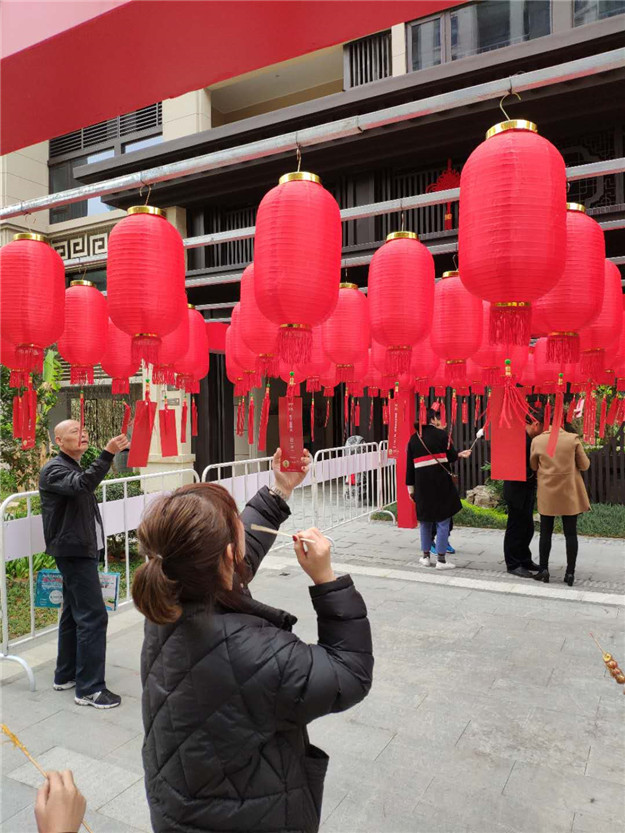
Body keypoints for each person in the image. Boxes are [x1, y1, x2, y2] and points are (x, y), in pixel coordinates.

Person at [132, 448, 373, 833]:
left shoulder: (167, 598)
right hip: (245, 816)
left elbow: (229, 554)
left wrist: (279, 491)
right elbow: (350, 673)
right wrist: (327, 580)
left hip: (181, 804)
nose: (244, 531)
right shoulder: (256, 652)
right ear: (228, 556)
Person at [39, 420, 129, 709]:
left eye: (85, 430)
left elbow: (84, 483)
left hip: (78, 549)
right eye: (75, 432)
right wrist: (108, 454)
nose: (84, 434)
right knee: (93, 616)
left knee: (72, 614)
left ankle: (65, 675)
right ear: (58, 440)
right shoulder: (55, 469)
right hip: (74, 551)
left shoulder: (71, 466)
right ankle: (90, 688)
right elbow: (83, 485)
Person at [405, 407, 471, 570]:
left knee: (425, 521)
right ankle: (441, 560)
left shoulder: (413, 440)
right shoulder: (442, 435)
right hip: (441, 484)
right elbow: (451, 456)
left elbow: (409, 468)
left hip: (421, 486)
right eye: (437, 417)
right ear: (432, 419)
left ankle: (426, 557)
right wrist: (460, 454)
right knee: (443, 520)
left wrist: (411, 490)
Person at [530, 422, 591, 586]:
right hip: (568, 492)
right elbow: (585, 465)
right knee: (571, 533)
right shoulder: (573, 440)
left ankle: (543, 570)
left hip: (547, 492)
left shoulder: (537, 441)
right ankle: (570, 573)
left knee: (545, 532)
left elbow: (533, 465)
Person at [502, 411, 544, 578]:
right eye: (541, 427)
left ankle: (524, 558)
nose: (541, 432)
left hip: (526, 488)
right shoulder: (518, 439)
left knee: (527, 526)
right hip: (516, 488)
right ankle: (513, 563)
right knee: (516, 527)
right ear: (535, 424)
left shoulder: (529, 439)